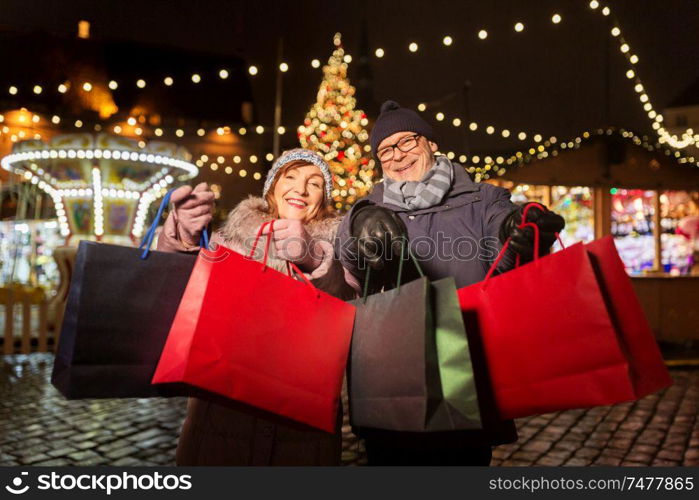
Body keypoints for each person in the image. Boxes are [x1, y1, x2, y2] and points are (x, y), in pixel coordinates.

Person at [335, 100, 566, 466]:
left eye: (407, 141)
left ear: (431, 143)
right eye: (385, 150)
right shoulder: (368, 207)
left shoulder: (482, 199)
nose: (397, 155)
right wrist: (360, 225)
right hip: (391, 373)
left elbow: (504, 260)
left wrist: (518, 233)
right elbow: (349, 260)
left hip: (464, 366)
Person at [157, 148, 354, 465]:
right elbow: (174, 293)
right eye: (290, 177)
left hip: (302, 425)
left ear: (325, 198)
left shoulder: (340, 250)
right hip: (223, 416)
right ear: (273, 186)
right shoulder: (227, 241)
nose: (300, 190)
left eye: (315, 183)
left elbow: (348, 305)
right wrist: (178, 237)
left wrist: (314, 259)